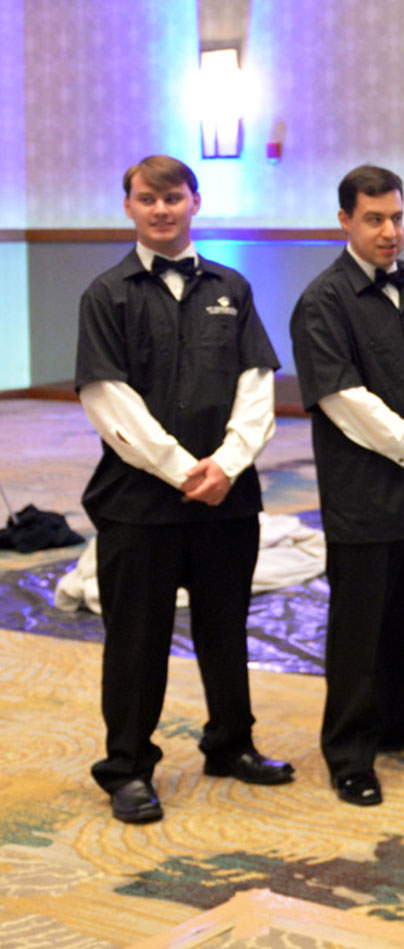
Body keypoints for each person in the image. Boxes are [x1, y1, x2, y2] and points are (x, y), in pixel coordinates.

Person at [76, 155, 292, 824]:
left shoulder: (232, 286)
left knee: (225, 629)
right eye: (148, 198)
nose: (162, 209)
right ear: (129, 207)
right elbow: (108, 401)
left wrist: (225, 465)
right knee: (136, 639)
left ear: (195, 201)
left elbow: (258, 386)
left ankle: (232, 743)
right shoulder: (105, 294)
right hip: (138, 504)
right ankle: (128, 767)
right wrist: (182, 470)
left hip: (228, 497)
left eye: (173, 197)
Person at [289, 165, 404, 807]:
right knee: (360, 629)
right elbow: (344, 399)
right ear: (345, 220)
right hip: (366, 490)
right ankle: (350, 752)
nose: (390, 231)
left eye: (397, 216)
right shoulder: (323, 301)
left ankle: (402, 720)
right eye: (375, 219)